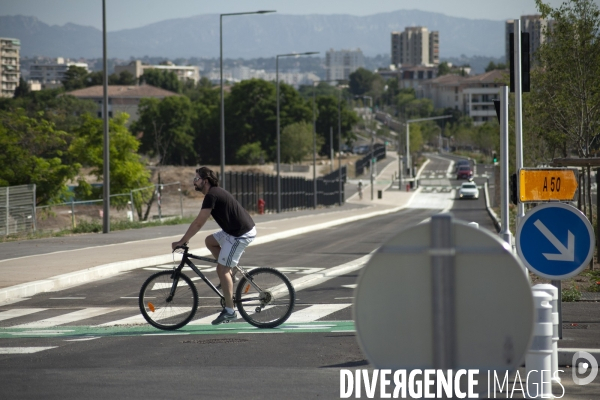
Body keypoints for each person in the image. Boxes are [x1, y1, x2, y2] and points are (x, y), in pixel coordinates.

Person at [171, 167, 256, 325]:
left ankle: (230, 311)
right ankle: (232, 271)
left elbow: (198, 223)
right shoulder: (213, 193)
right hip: (233, 231)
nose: (194, 182)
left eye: (196, 179)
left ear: (206, 180)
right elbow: (199, 223)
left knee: (221, 269)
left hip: (241, 234)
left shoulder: (212, 195)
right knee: (210, 241)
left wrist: (182, 241)